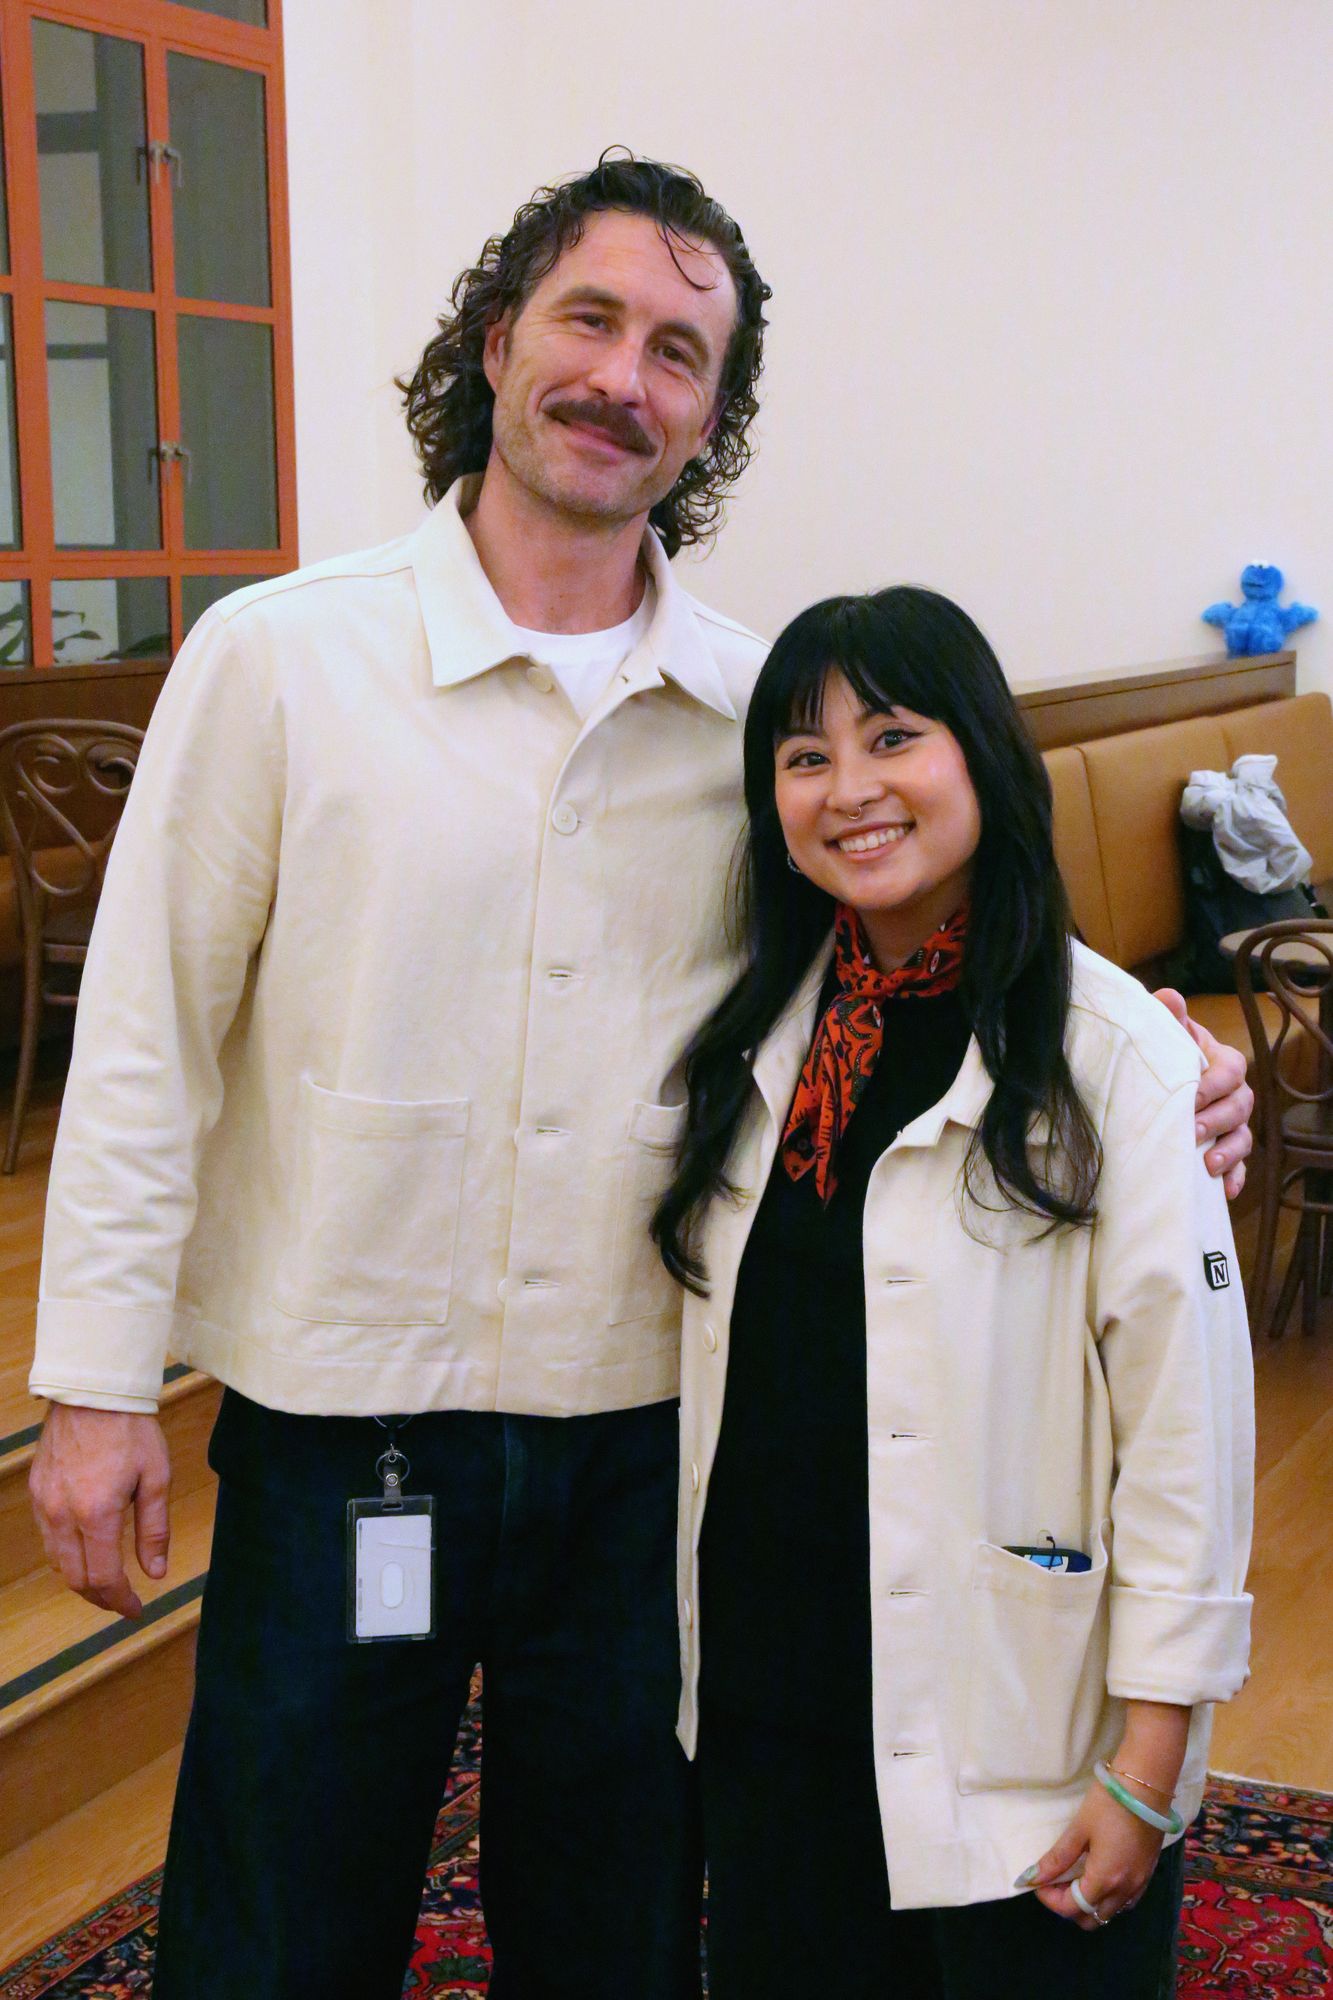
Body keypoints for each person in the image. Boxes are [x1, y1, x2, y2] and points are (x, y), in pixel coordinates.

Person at [25, 158, 1249, 1998]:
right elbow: (144, 1041)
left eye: (680, 351)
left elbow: (903, 944)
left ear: (711, 413)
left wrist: (1153, 1052)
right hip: (349, 1426)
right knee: (278, 1914)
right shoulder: (281, 658)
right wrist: (96, 1386)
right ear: (495, 338)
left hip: (647, 1446)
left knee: (612, 1932)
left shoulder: (758, 718)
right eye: (589, 320)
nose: (623, 377)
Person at [654, 586, 1255, 1999]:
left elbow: (1188, 1432)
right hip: (772, 1700)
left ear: (981, 754)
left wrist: (1150, 1756)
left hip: (1010, 1725)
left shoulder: (1115, 1056)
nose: (849, 789)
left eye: (892, 738)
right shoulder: (755, 1032)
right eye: (804, 756)